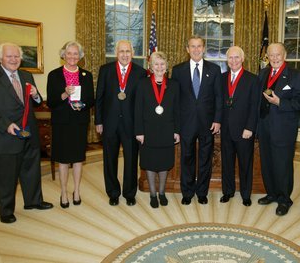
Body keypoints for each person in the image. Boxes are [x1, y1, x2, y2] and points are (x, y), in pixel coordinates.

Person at [0, 43, 53, 223]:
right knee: (6, 176)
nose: (13, 59)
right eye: (9, 56)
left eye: (17, 56)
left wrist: (36, 95)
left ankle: (33, 201)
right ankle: (5, 211)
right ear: (0, 58)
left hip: (29, 133)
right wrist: (6, 125)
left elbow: (36, 102)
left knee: (31, 171)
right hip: (5, 135)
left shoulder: (26, 75)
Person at [171, 35, 222, 205]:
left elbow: (218, 97)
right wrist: (176, 125)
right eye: (192, 46)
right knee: (187, 158)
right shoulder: (178, 70)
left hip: (207, 123)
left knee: (205, 158)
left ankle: (202, 192)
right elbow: (175, 100)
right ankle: (187, 192)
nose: (196, 49)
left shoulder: (214, 70)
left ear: (204, 48)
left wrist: (217, 119)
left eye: (199, 46)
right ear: (187, 49)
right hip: (186, 122)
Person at [257, 42, 300, 216]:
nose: (275, 58)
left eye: (278, 54)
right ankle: (272, 193)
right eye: (271, 55)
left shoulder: (296, 75)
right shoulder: (263, 73)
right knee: (267, 162)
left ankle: (284, 199)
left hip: (284, 128)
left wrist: (280, 102)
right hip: (264, 127)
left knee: (283, 164)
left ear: (284, 55)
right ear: (267, 57)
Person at [95, 40, 146, 206]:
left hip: (131, 124)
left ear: (132, 53)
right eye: (121, 51)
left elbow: (141, 103)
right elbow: (100, 98)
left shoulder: (140, 72)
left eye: (128, 51)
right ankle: (113, 192)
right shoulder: (105, 70)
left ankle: (130, 193)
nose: (125, 55)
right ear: (116, 53)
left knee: (131, 160)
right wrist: (98, 121)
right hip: (109, 123)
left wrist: (141, 127)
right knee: (110, 159)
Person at [46, 41, 94, 209]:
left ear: (80, 56)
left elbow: (90, 100)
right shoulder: (54, 75)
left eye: (76, 54)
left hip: (79, 122)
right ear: (63, 55)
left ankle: (77, 191)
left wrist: (82, 105)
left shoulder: (86, 75)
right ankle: (64, 192)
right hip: (62, 123)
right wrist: (65, 93)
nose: (72, 56)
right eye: (69, 53)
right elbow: (51, 102)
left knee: (78, 159)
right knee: (64, 160)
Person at [135, 52, 180, 208]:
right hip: (148, 131)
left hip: (167, 130)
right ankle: (153, 194)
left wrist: (177, 130)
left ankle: (162, 192)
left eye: (162, 64)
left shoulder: (174, 85)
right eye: (156, 64)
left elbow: (177, 110)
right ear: (150, 67)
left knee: (164, 163)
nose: (159, 67)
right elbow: (138, 109)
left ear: (166, 66)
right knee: (149, 162)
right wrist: (139, 131)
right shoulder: (142, 84)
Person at [219, 46, 260, 207]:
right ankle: (227, 191)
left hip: (244, 130)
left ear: (243, 59)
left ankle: (245, 194)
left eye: (237, 57)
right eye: (230, 58)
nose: (234, 61)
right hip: (226, 129)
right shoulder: (221, 78)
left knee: (245, 163)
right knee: (227, 163)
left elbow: (254, 106)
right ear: (227, 60)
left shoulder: (252, 79)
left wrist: (249, 127)